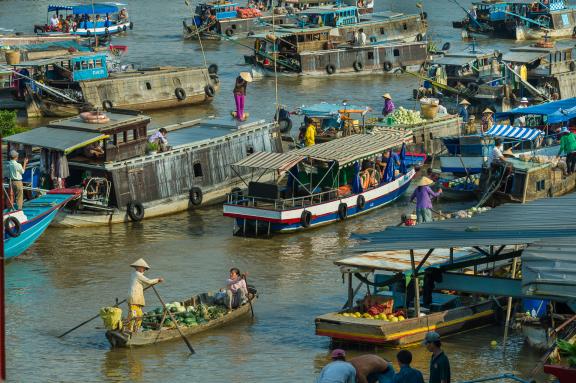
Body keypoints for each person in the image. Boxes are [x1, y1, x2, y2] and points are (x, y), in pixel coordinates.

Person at [127, 258, 163, 332]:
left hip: (133, 297)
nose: (144, 270)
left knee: (138, 314)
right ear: (139, 268)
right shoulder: (137, 274)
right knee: (135, 315)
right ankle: (132, 331)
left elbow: (143, 284)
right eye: (144, 269)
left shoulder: (133, 274)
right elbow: (148, 281)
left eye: (145, 269)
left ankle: (134, 329)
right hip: (134, 299)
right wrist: (158, 280)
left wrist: (153, 282)